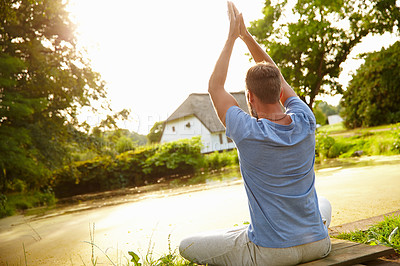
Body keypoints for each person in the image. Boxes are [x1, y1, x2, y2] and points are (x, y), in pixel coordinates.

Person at [179, 2, 332, 265]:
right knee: (324, 203)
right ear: (278, 91)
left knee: (187, 245)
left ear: (249, 96)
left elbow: (215, 86)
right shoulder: (306, 120)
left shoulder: (247, 130)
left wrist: (231, 37)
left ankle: (252, 237)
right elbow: (279, 78)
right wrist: (247, 37)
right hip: (319, 244)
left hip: (273, 253)